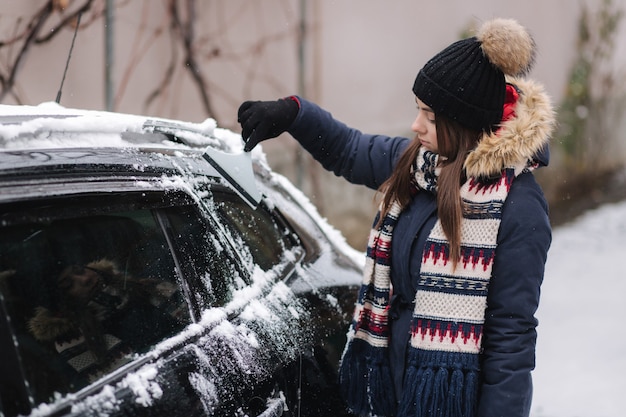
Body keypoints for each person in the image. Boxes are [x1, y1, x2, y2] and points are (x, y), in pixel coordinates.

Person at [237, 17, 555, 417]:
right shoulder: (421, 165)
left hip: (452, 398)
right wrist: (293, 114)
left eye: (430, 117)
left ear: (463, 125)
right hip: (390, 382)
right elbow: (351, 150)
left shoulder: (517, 206)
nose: (415, 125)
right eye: (417, 109)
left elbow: (511, 336)